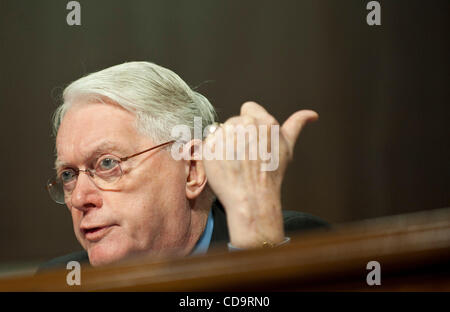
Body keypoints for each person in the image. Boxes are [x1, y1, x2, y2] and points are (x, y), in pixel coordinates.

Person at [38, 61, 329, 272]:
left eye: (107, 164)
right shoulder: (60, 280)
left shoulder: (295, 242)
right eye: (68, 175)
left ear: (191, 169)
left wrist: (256, 245)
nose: (78, 198)